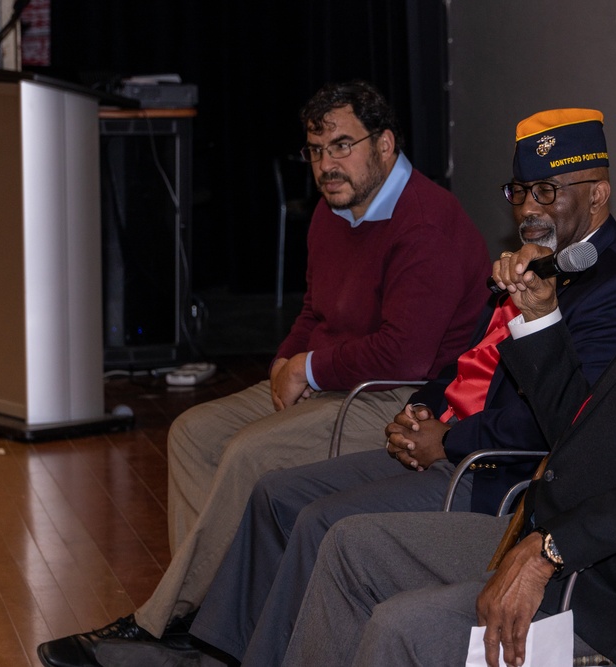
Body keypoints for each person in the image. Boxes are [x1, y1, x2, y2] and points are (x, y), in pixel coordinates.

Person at [280, 100, 616, 667]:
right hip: (570, 538)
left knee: (403, 629)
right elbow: (578, 430)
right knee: (351, 547)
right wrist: (540, 318)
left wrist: (550, 551)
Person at [177, 109, 616, 666]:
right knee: (277, 493)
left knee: (321, 523)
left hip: (489, 472)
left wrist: (446, 440)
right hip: (449, 441)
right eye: (521, 190)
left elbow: (564, 425)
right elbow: (468, 359)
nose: (530, 207)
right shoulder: (539, 260)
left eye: (548, 191)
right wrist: (420, 406)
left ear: (597, 195)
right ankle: (216, 651)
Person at [36, 80, 491, 667]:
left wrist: (308, 366)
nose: (327, 166)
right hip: (330, 379)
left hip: (395, 399)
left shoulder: (425, 223)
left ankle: (163, 626)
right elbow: (313, 312)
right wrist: (285, 360)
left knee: (252, 453)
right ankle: (205, 621)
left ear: (384, 145)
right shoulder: (336, 210)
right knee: (193, 434)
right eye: (315, 150)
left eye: (342, 146)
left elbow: (403, 355)